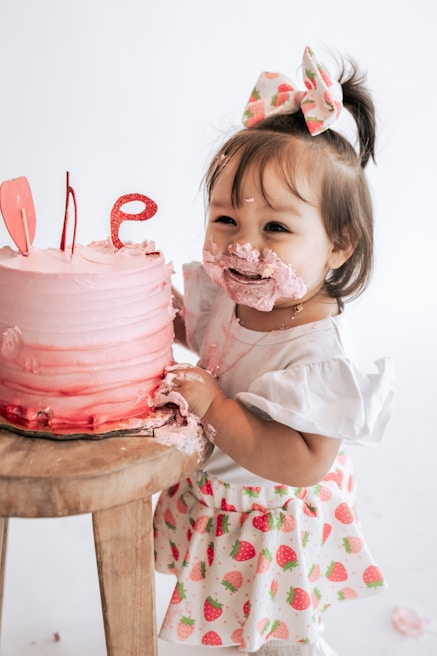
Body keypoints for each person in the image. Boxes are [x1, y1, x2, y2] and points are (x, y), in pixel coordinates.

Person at [153, 45, 395, 656]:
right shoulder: (233, 298)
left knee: (280, 635)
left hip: (270, 519)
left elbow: (305, 462)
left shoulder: (316, 357)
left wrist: (217, 410)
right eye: (226, 220)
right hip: (221, 503)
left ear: (339, 245)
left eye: (277, 229)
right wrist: (159, 315)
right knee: (235, 625)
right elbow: (210, 338)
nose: (243, 247)